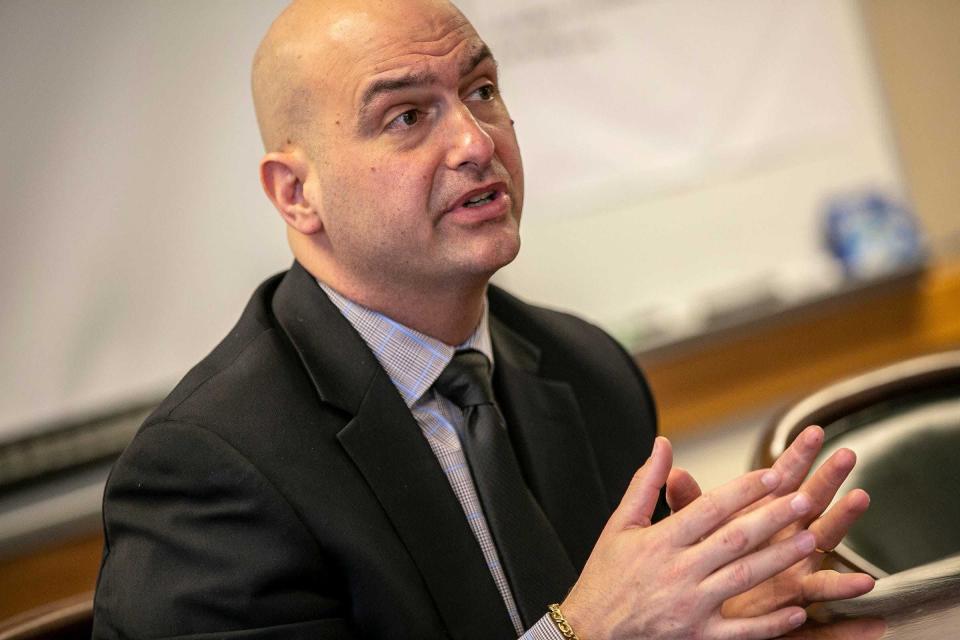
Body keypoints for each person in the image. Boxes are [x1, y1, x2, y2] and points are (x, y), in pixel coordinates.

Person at [92, 1, 875, 638]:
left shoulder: (586, 368)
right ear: (297, 194)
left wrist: (719, 612)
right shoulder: (206, 473)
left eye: (481, 90)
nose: (475, 141)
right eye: (406, 116)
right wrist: (583, 635)